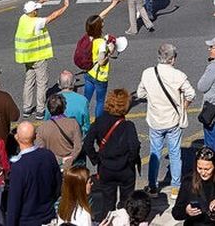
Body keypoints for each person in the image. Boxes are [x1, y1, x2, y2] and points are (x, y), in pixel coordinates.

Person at [134, 42, 193, 193]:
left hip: (155, 120)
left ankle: (153, 186)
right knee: (175, 154)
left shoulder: (148, 73)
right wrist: (183, 108)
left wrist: (152, 98)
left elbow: (140, 94)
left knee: (155, 152)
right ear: (173, 59)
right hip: (173, 121)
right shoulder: (178, 75)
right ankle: (176, 187)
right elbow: (191, 94)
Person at [13, 0, 71, 120]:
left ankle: (27, 108)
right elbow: (53, 16)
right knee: (41, 83)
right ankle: (40, 110)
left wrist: (41, 1)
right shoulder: (37, 22)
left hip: (27, 57)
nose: (38, 11)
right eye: (36, 10)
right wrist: (65, 7)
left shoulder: (23, 18)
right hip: (38, 57)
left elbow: (31, 8)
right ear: (33, 12)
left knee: (29, 82)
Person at [84, 87, 139, 217]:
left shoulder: (99, 121)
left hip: (106, 168)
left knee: (107, 204)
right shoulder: (128, 126)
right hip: (125, 169)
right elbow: (134, 147)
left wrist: (96, 159)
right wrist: (130, 161)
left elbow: (87, 144)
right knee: (127, 204)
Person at [2, 121, 62, 226]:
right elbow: (58, 186)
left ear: (17, 138)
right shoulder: (48, 155)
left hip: (27, 220)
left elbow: (14, 203)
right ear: (35, 136)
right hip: (48, 216)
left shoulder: (18, 167)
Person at [174, 147, 215, 226]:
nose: (203, 173)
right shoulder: (188, 182)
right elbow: (176, 212)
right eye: (199, 168)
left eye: (207, 169)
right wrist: (186, 211)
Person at [35, 93, 82, 167]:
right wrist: (70, 160)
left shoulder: (42, 128)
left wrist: (58, 159)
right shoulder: (73, 123)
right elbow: (78, 146)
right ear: (64, 107)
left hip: (52, 164)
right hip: (70, 165)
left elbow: (41, 150)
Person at [55, 71, 91, 139]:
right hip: (75, 136)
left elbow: (47, 120)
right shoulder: (83, 100)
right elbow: (86, 124)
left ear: (58, 83)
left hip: (57, 137)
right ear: (74, 83)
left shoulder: (52, 100)